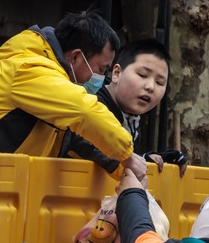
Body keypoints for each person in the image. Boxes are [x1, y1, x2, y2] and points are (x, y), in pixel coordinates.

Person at [0, 10, 140, 176]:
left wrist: (128, 166)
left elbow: (77, 139)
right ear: (76, 56)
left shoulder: (45, 84)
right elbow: (84, 111)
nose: (101, 79)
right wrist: (127, 155)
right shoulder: (29, 70)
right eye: (100, 69)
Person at [59, 37, 187, 174]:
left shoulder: (132, 118)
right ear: (117, 73)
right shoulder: (90, 103)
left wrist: (145, 160)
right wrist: (128, 161)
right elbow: (79, 143)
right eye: (142, 75)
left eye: (160, 83)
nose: (150, 87)